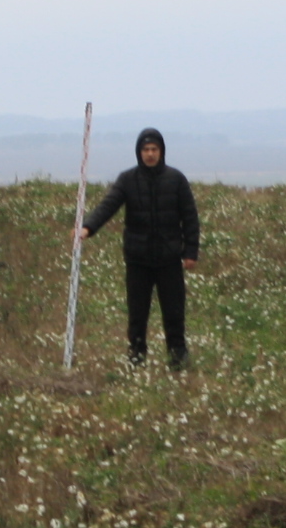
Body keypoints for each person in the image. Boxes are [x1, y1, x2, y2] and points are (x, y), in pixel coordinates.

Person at [77, 126, 200, 369]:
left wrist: (190, 252)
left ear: (162, 151)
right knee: (137, 313)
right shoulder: (127, 179)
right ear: (139, 152)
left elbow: (190, 218)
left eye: (154, 149)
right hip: (138, 259)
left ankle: (177, 357)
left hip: (169, 259)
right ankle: (136, 355)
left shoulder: (176, 179)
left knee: (174, 312)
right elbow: (108, 206)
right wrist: (88, 228)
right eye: (146, 149)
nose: (150, 154)